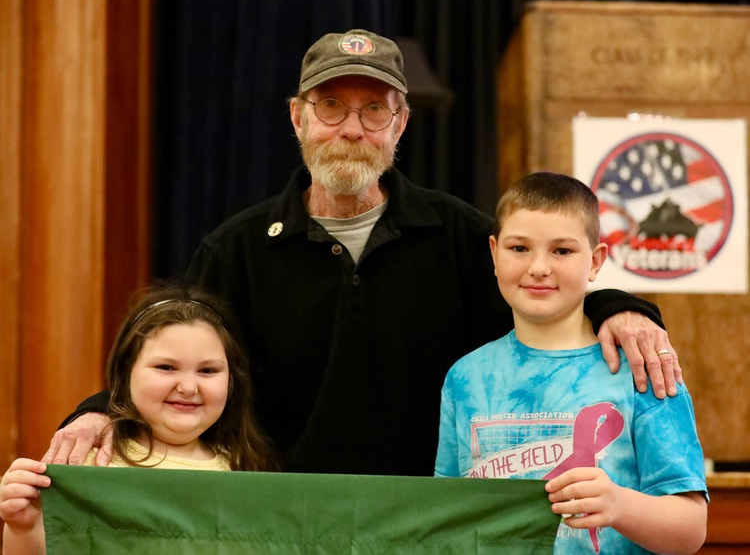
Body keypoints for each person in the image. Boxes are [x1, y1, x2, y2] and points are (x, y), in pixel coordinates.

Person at [43, 29, 681, 477]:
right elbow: (171, 355)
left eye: (374, 110)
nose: (351, 128)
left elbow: (544, 298)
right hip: (280, 519)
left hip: (426, 522)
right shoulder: (235, 249)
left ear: (400, 125)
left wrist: (622, 307)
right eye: (331, 107)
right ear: (298, 119)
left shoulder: (461, 234)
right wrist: (102, 412)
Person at [434, 172, 707, 554]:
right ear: (494, 254)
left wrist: (620, 505)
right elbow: (445, 515)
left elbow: (691, 529)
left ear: (595, 261)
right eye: (519, 248)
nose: (539, 267)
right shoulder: (465, 378)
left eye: (562, 251)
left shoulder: (641, 366)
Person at [1, 284, 276, 554]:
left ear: (231, 381)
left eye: (207, 370)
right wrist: (23, 527)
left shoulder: (245, 469)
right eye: (166, 367)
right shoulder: (89, 462)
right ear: (126, 373)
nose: (189, 387)